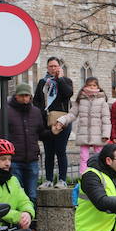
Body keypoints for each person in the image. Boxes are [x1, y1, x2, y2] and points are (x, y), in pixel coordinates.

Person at [0, 83, 63, 204]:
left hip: (32, 160)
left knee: (32, 195)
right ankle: (18, 221)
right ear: (16, 96)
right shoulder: (5, 111)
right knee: (17, 195)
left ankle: (32, 221)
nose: (25, 98)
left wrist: (52, 132)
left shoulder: (36, 112)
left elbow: (40, 133)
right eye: (22, 96)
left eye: (27, 96)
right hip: (14, 160)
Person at [34, 56, 74, 188]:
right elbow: (37, 101)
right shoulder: (42, 82)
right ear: (47, 68)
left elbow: (68, 94)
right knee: (48, 152)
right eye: (50, 66)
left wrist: (60, 79)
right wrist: (42, 115)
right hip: (47, 121)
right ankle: (49, 179)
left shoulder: (66, 81)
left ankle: (62, 179)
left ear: (59, 67)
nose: (53, 68)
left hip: (62, 120)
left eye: (55, 66)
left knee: (60, 151)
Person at [58, 76, 111, 176]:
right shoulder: (81, 100)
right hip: (84, 133)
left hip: (98, 134)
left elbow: (106, 119)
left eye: (94, 85)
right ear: (85, 86)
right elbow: (72, 114)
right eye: (89, 85)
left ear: (98, 87)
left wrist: (106, 134)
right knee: (83, 156)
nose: (91, 87)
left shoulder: (102, 101)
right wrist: (62, 120)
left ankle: (100, 175)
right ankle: (83, 175)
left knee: (99, 156)